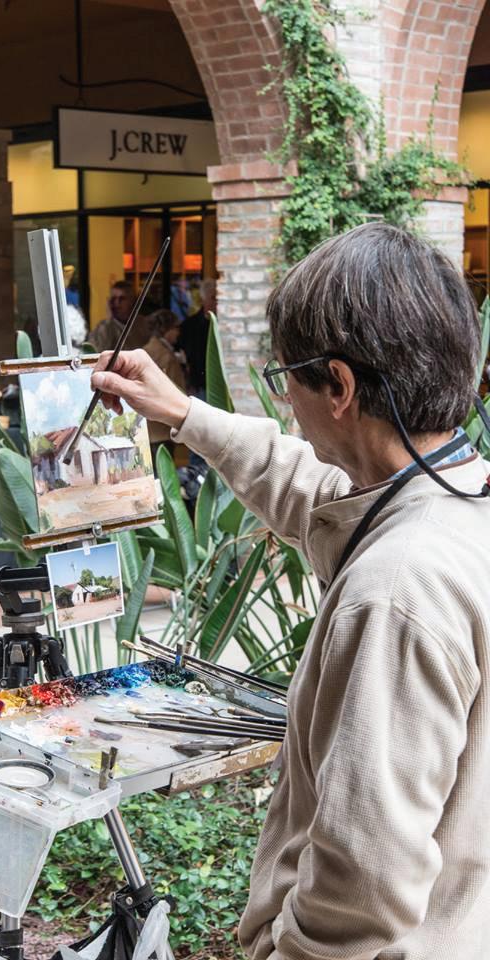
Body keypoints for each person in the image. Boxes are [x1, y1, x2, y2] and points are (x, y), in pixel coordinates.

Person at [90, 223, 490, 960]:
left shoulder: (397, 588)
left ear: (339, 385)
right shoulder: (457, 499)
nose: (287, 408)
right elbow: (317, 496)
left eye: (286, 381)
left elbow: (364, 884)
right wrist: (183, 413)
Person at [142, 309, 186, 452]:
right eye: (175, 328)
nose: (178, 332)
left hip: (148, 426)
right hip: (162, 427)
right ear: (166, 329)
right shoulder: (166, 356)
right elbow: (176, 390)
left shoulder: (145, 350)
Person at [177, 278, 216, 396]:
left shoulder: (227, 325)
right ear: (203, 300)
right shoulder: (188, 326)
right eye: (213, 298)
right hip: (199, 385)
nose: (217, 303)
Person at [87, 280, 150, 353]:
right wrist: (109, 321)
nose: (116, 303)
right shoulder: (103, 327)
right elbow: (95, 351)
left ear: (131, 300)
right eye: (113, 299)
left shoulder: (143, 324)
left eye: (122, 299)